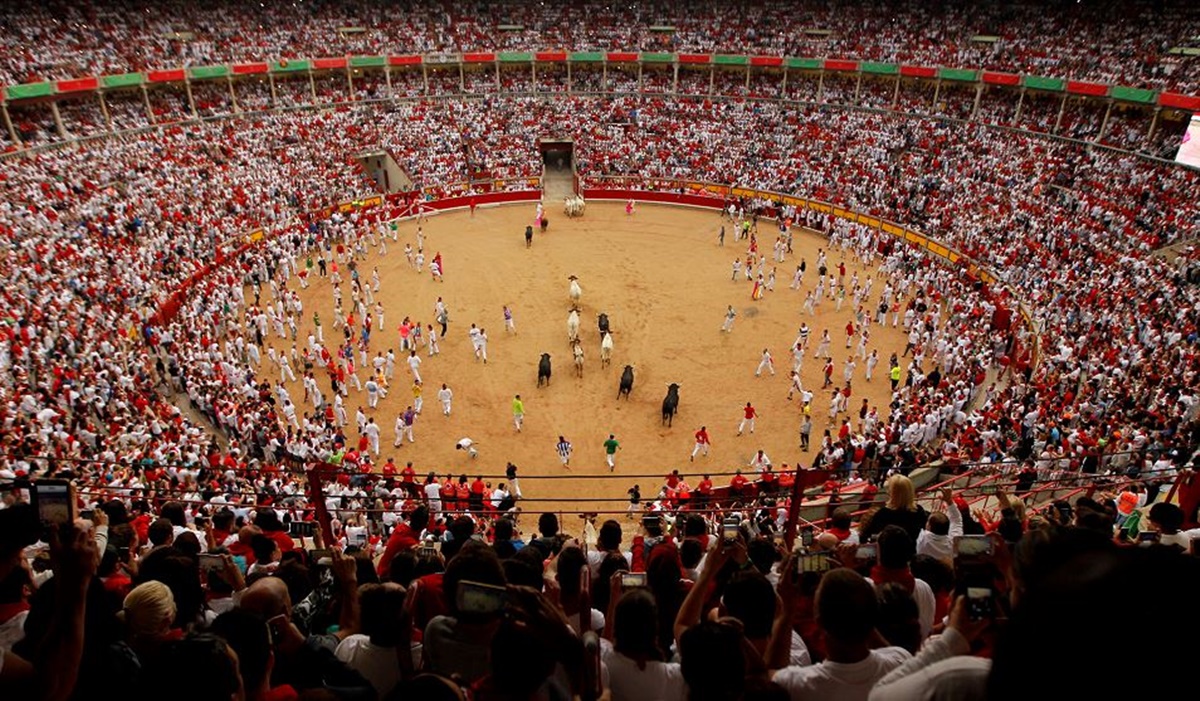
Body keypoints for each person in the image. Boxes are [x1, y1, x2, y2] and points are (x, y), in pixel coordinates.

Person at [769, 567, 910, 697]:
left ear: (818, 622)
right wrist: (855, 595)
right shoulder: (900, 661)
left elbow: (768, 675)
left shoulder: (796, 685)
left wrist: (787, 612)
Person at [860, 475, 929, 542]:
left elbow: (869, 535)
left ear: (893, 493)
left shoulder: (883, 513)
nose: (888, 491)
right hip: (913, 551)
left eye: (889, 489)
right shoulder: (919, 510)